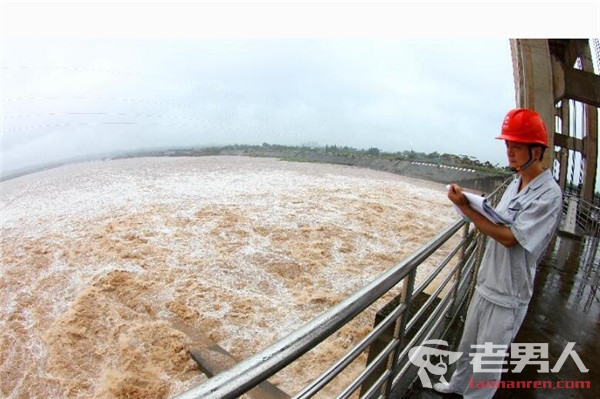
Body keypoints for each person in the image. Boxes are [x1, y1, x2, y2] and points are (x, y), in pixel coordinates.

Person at [433, 108, 563, 398]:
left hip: (508, 296)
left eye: (516, 146)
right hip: (486, 283)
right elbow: (495, 218)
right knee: (467, 348)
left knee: (486, 368)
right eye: (507, 145)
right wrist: (468, 201)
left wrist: (467, 209)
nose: (510, 152)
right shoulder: (516, 182)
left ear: (537, 150)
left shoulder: (549, 195)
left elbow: (508, 237)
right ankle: (456, 386)